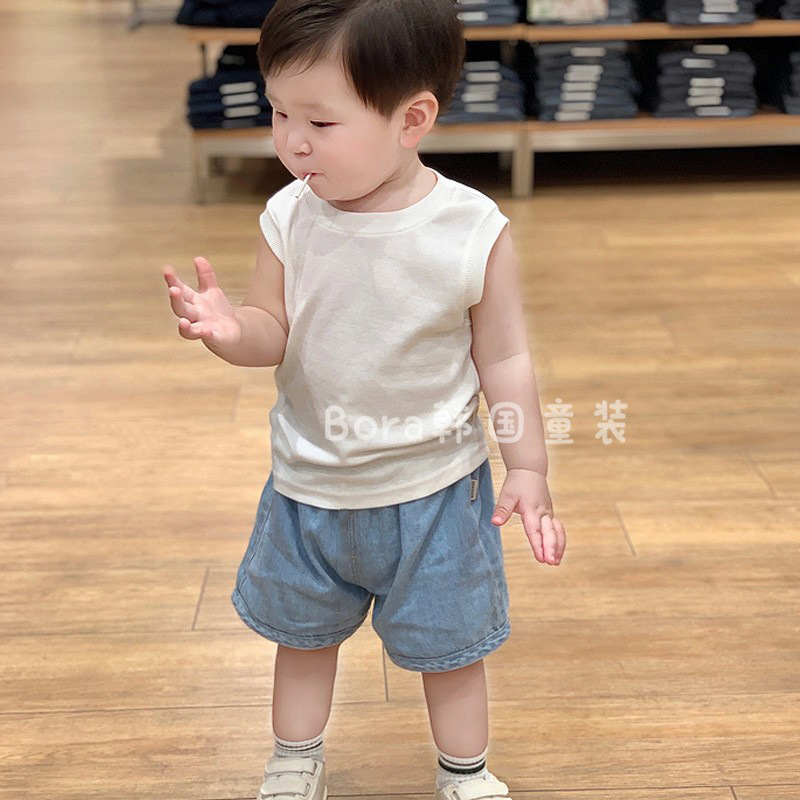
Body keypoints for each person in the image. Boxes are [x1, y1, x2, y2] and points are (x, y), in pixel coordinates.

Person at [161, 1, 567, 798]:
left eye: (320, 121)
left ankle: (466, 771)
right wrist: (231, 330)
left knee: (452, 651)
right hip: (309, 488)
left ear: (412, 119)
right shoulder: (289, 216)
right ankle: (293, 760)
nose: (291, 140)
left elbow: (505, 358)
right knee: (303, 639)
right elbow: (272, 329)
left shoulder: (470, 229)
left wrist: (528, 466)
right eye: (279, 112)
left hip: (439, 495)